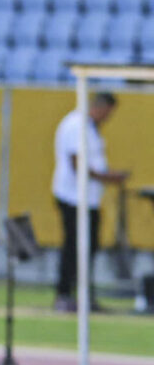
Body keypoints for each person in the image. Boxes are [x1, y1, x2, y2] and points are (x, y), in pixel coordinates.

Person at [51, 91, 128, 312]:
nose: (108, 118)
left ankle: (83, 294)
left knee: (90, 247)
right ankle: (64, 294)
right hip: (73, 196)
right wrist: (108, 178)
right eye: (107, 113)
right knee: (74, 247)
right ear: (99, 107)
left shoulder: (91, 128)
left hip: (89, 198)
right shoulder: (76, 125)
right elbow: (78, 164)